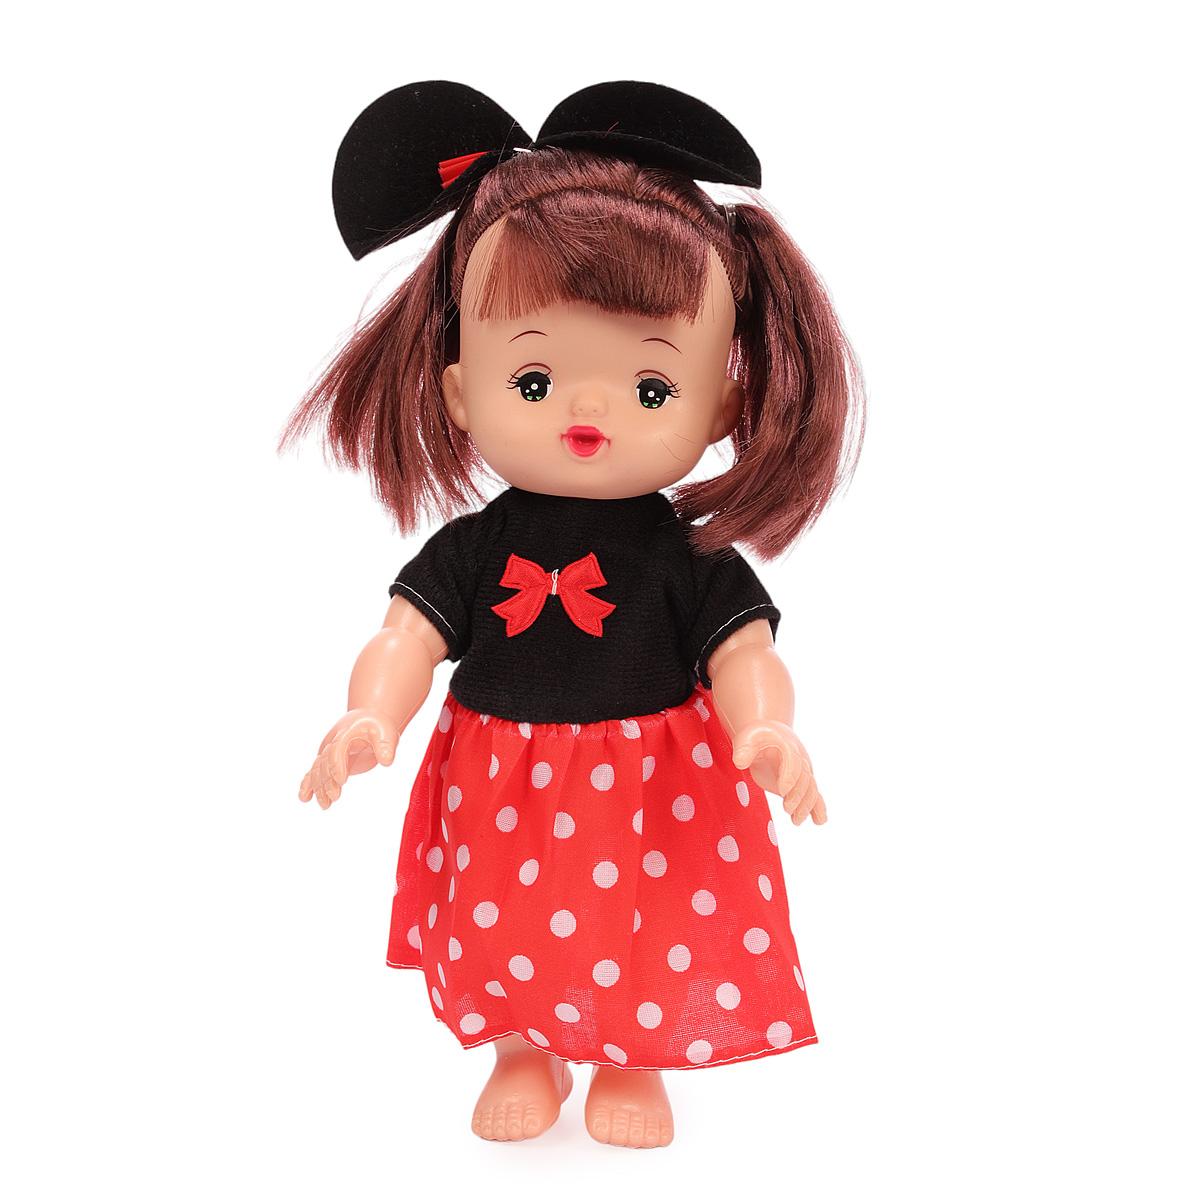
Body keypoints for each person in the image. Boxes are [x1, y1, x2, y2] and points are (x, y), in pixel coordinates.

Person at [283, 81, 863, 1149]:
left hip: (654, 783)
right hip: (498, 777)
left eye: (651, 389)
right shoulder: (476, 550)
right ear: (462, 393)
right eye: (536, 377)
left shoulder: (687, 559)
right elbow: (406, 634)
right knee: (496, 918)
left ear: (723, 406)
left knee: (647, 919)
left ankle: (628, 1056)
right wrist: (372, 713)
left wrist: (766, 728)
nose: (589, 409)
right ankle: (522, 1047)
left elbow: (745, 649)